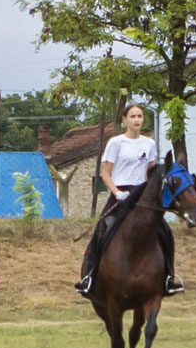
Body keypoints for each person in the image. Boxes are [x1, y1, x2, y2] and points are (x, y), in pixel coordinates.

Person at [75, 103, 182, 296]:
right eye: (132, 116)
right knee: (102, 229)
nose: (137, 120)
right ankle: (89, 277)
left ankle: (169, 278)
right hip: (120, 195)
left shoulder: (149, 143)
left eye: (140, 116)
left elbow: (150, 173)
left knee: (166, 232)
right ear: (125, 120)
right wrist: (117, 192)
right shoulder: (116, 143)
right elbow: (106, 174)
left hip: (142, 195)